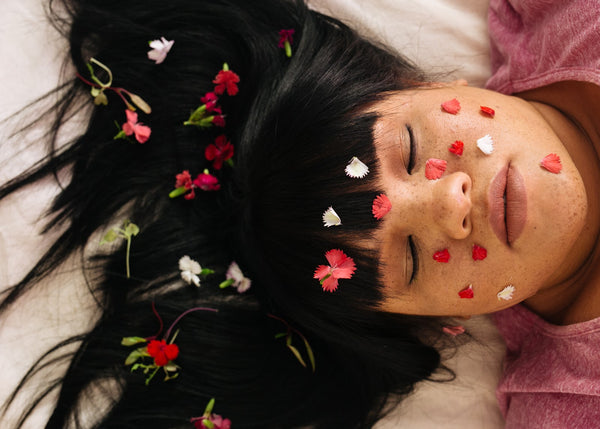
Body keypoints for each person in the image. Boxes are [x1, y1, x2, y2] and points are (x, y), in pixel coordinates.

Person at [1, 0, 599, 429]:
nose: (449, 204)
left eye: (412, 149)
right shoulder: (564, 406)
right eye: (412, 258)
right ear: (440, 318)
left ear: (412, 82)